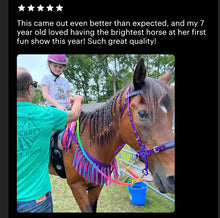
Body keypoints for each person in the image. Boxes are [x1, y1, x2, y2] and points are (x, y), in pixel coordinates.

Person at [17, 67, 84, 213]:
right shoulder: (45, 115)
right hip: (36, 202)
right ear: (30, 88)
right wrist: (78, 99)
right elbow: (74, 114)